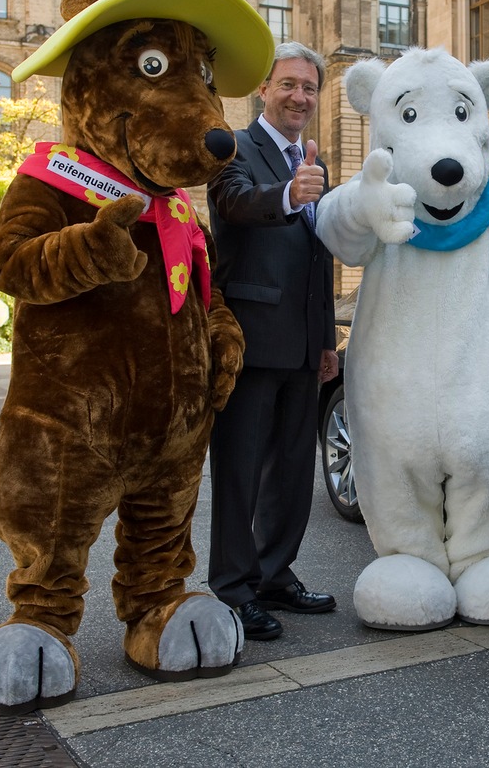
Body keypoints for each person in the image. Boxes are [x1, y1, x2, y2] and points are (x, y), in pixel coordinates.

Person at [206, 42, 339, 641]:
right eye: (288, 85)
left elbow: (321, 258)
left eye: (309, 88)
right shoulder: (233, 148)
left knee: (292, 471)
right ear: (264, 88)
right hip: (250, 340)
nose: (299, 97)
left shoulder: (316, 162)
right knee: (240, 471)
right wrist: (289, 195)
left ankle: (273, 573)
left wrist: (328, 338)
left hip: (304, 346)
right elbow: (233, 205)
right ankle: (233, 589)